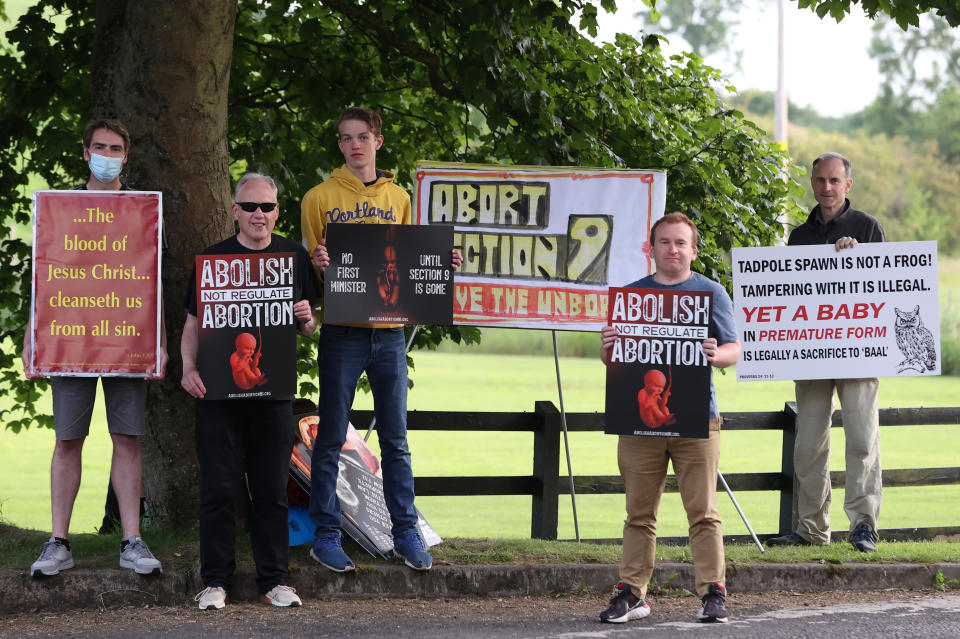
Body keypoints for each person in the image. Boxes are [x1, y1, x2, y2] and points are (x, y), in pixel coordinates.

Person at [301, 106, 461, 572]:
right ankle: (326, 534)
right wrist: (321, 262)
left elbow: (409, 264)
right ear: (339, 145)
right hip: (343, 331)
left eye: (363, 137)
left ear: (378, 142)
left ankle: (405, 531)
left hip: (389, 333)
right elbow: (315, 270)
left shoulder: (400, 198)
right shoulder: (318, 197)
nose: (355, 145)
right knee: (330, 437)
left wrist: (439, 265)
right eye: (346, 138)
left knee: (396, 438)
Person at [25, 119, 167, 578]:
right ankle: (58, 542)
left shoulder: (143, 210)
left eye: (117, 148)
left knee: (127, 439)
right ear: (86, 153)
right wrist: (34, 339)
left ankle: (132, 540)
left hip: (127, 340)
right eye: (100, 147)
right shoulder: (60, 208)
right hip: (70, 338)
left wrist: (159, 344)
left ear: (127, 155)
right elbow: (44, 277)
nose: (108, 155)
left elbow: (151, 283)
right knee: (68, 440)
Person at [181, 173, 319, 610]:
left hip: (273, 397)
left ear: (278, 211)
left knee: (272, 490)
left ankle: (274, 581)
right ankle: (215, 582)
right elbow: (192, 323)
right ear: (235, 210)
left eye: (267, 207)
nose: (259, 214)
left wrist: (305, 318)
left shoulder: (294, 256)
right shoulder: (213, 259)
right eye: (250, 206)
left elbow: (311, 326)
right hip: (217, 397)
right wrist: (186, 368)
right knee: (218, 490)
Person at [598, 212, 740, 624]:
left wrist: (718, 355)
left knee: (704, 512)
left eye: (680, 243)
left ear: (693, 250)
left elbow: (734, 348)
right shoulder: (632, 295)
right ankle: (631, 593)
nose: (672, 250)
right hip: (639, 425)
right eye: (664, 242)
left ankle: (713, 593)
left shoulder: (711, 293)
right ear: (651, 248)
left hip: (698, 420)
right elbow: (615, 361)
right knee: (639, 513)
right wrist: (607, 347)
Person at [767, 152, 885, 553]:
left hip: (859, 352)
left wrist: (859, 260)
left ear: (848, 184)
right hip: (811, 354)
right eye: (820, 180)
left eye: (835, 180)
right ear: (813, 183)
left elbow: (885, 288)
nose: (827, 187)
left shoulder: (868, 228)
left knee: (862, 439)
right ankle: (811, 528)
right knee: (809, 443)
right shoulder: (798, 237)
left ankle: (863, 525)